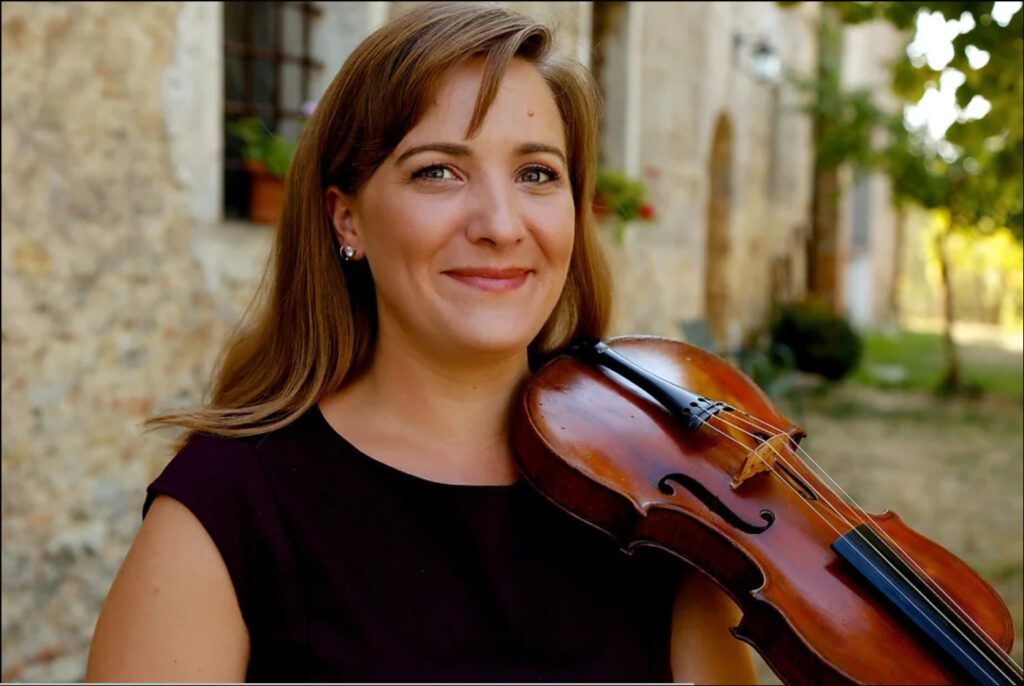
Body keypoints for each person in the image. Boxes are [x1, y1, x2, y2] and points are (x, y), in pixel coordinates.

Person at [85, 3, 757, 683]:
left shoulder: (650, 503)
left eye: (537, 174)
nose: (500, 224)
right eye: (438, 171)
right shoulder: (225, 510)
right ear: (347, 218)